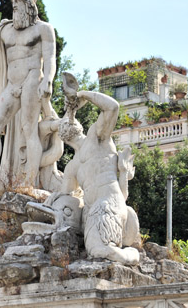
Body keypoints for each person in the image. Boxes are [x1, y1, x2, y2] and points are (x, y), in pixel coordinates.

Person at [45, 73, 140, 265]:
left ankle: (132, 256)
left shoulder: (97, 138)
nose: (66, 125)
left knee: (99, 251)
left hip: (108, 204)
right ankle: (128, 253)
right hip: (94, 212)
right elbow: (66, 195)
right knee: (96, 250)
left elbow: (113, 107)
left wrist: (81, 94)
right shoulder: (72, 166)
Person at [0, 0, 57, 188]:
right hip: (12, 84)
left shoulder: (43, 29)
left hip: (32, 79)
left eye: (18, 3)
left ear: (29, 5)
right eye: (13, 4)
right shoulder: (6, 29)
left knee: (29, 129)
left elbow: (50, 57)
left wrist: (48, 80)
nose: (14, 7)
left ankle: (28, 183)